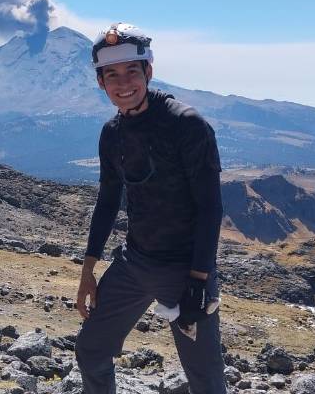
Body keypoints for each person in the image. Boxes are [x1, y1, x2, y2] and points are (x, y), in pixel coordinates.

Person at [75, 23, 226, 393]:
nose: (123, 82)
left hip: (184, 271)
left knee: (205, 379)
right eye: (112, 74)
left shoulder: (186, 124)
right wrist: (88, 271)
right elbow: (108, 201)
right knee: (91, 350)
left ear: (149, 72)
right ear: (100, 82)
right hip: (134, 264)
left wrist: (199, 280)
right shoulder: (113, 132)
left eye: (132, 71)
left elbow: (210, 208)